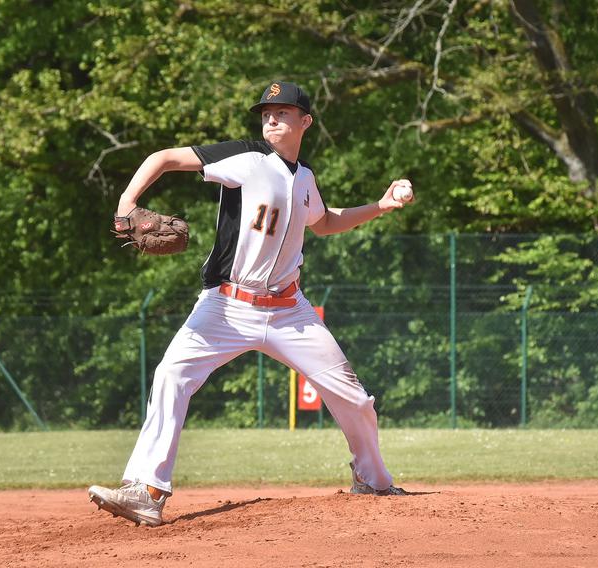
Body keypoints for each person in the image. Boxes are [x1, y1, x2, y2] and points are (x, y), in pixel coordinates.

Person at [89, 81, 414, 527]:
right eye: (266, 113)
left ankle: (372, 479)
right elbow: (162, 159)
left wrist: (380, 205)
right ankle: (146, 490)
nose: (272, 119)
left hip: (290, 312)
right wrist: (127, 202)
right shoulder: (246, 158)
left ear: (306, 121)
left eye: (283, 112)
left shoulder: (305, 178)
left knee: (355, 401)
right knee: (171, 376)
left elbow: (324, 222)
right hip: (225, 307)